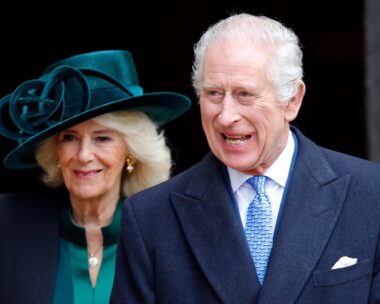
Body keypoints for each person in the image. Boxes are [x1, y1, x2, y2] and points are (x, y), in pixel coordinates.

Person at [111, 13, 380, 303]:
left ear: (292, 100)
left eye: (245, 94)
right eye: (214, 93)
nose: (226, 116)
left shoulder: (371, 195)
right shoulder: (150, 217)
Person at [0, 50, 191, 304]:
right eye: (70, 137)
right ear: (55, 150)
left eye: (103, 138)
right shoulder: (7, 222)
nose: (84, 155)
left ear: (130, 151)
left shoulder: (169, 235)